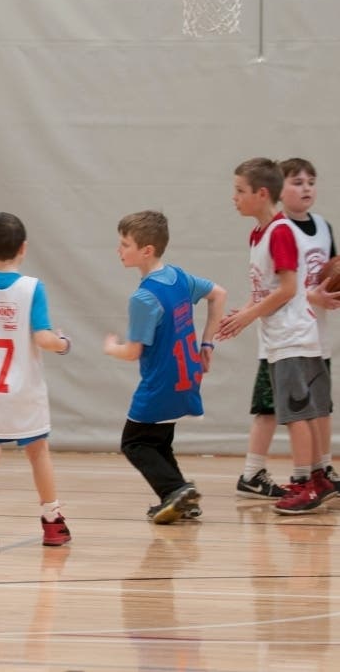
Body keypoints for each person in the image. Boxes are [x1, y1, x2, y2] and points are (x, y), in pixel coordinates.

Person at [219, 158, 333, 514]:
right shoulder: (259, 232)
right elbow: (264, 288)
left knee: (296, 414)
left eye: (240, 191)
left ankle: (305, 484)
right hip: (283, 335)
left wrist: (251, 316)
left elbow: (286, 289)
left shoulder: (281, 231)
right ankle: (319, 478)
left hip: (293, 334)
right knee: (305, 412)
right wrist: (244, 311)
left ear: (261, 193)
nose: (234, 198)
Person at [0, 212, 72, 551]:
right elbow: (45, 339)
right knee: (38, 452)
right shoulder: (32, 288)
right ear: (24, 247)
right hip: (25, 389)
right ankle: (52, 522)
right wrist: (64, 343)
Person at [103, 211, 226, 524]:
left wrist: (110, 348)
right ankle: (181, 499)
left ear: (146, 250)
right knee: (157, 442)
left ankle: (177, 489)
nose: (119, 250)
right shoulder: (179, 277)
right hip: (187, 379)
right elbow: (219, 294)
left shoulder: (144, 297)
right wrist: (207, 344)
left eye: (124, 244)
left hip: (160, 383)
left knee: (134, 443)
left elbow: (132, 352)